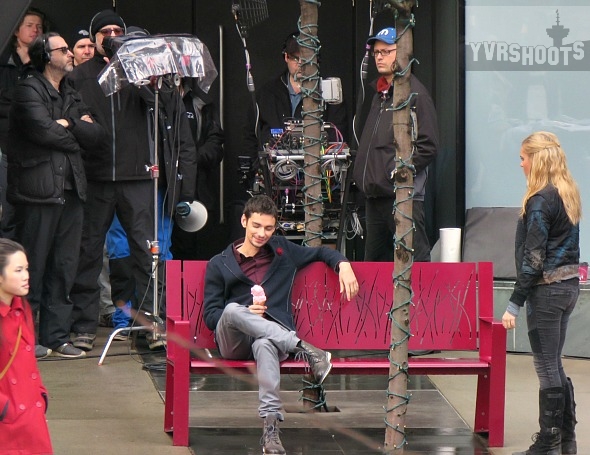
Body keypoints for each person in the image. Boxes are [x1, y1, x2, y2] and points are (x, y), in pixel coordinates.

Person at [66, 10, 196, 352]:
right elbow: (70, 118)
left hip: (138, 176)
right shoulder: (79, 76)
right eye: (105, 31)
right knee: (89, 253)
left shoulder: (142, 73)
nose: (112, 35)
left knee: (147, 252)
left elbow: (166, 111)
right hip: (96, 177)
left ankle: (152, 324)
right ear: (94, 38)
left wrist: (147, 79)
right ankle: (83, 327)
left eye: (117, 30)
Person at [203, 195, 359, 454]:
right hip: (235, 341)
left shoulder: (282, 252)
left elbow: (321, 252)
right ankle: (304, 347)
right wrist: (246, 314)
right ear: (244, 221)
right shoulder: (220, 263)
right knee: (231, 310)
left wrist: (343, 265)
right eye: (256, 226)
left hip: (272, 339)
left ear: (274, 228)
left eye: (268, 228)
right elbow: (211, 316)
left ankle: (271, 429)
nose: (261, 234)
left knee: (265, 344)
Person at [6, 32, 105, 359]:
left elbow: (97, 135)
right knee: (32, 265)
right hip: (38, 191)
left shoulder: (71, 92)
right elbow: (42, 130)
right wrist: (75, 131)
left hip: (71, 189)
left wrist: (69, 125)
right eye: (64, 49)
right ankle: (25, 336)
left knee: (65, 265)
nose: (71, 53)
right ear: (46, 56)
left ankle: (57, 336)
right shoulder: (27, 89)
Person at [502, 131, 581, 455]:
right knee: (555, 364)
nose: (520, 164)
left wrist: (513, 303)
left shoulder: (539, 200)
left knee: (547, 367)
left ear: (536, 159)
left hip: (547, 293)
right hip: (568, 287)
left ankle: (548, 444)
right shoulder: (567, 193)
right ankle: (566, 441)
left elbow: (533, 259)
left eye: (523, 158)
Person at [353, 27, 439, 262]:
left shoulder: (416, 94)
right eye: (376, 52)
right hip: (374, 197)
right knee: (374, 268)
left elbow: (429, 145)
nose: (379, 57)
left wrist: (398, 173)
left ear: (401, 53)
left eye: (386, 51)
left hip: (402, 195)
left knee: (415, 262)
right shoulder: (379, 93)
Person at [0, 239, 52, 454]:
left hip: (30, 414)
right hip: (6, 422)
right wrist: (4, 408)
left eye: (27, 269)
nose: (26, 276)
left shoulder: (23, 308)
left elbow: (28, 362)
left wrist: (40, 395)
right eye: (18, 270)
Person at [0, 7, 47, 241]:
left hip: (40, 150)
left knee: (36, 216)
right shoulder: (4, 62)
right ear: (16, 30)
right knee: (9, 212)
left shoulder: (46, 63)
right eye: (29, 25)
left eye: (39, 26)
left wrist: (30, 65)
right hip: (7, 148)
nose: (35, 30)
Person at [171, 78, 224, 260]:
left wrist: (191, 159)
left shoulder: (200, 101)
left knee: (197, 248)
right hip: (162, 185)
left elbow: (216, 142)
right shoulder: (152, 98)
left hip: (197, 186)